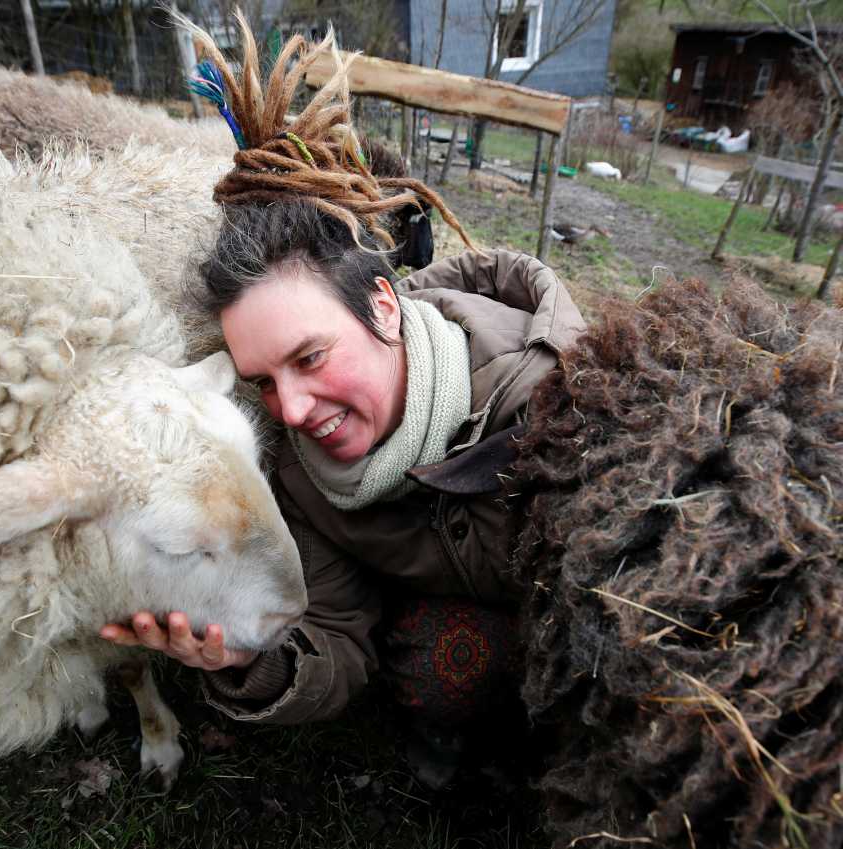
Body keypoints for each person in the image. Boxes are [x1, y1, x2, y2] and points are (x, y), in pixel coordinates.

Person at [99, 13, 586, 784]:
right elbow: (333, 634)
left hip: (567, 614)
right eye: (263, 378)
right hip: (453, 610)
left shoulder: (555, 405)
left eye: (310, 356)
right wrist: (243, 658)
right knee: (438, 661)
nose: (289, 409)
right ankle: (451, 737)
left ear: (384, 307)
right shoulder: (299, 474)